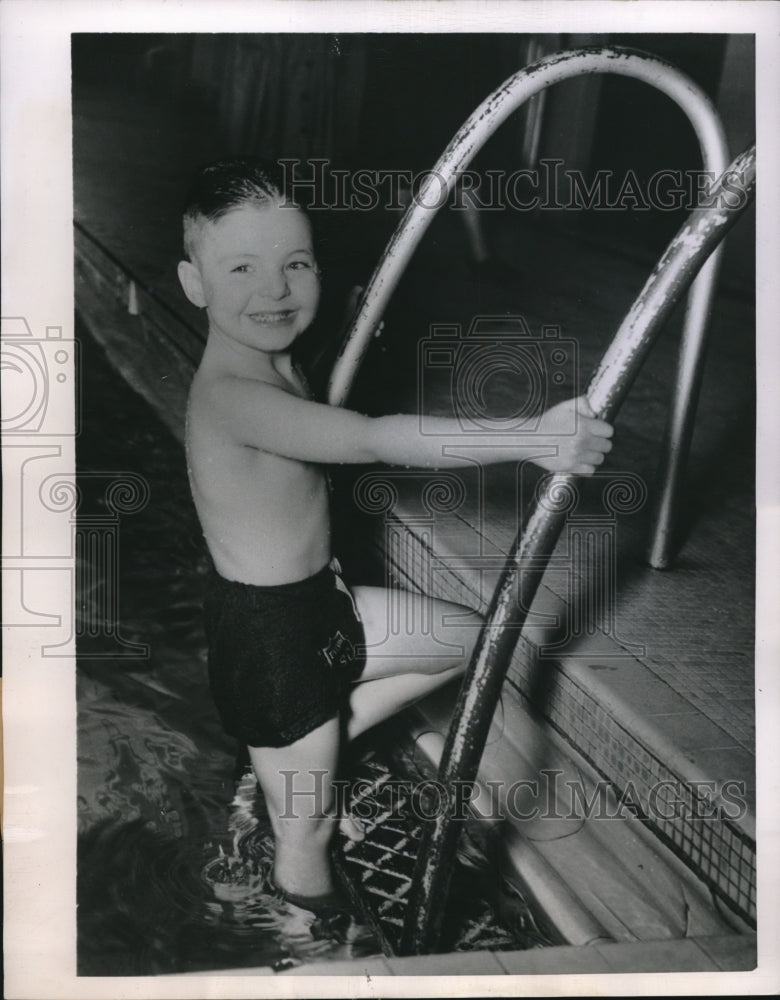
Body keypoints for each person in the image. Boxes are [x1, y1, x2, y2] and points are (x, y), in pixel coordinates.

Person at [178, 158, 613, 914]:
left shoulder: (272, 361)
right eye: (241, 267)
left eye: (296, 263)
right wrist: (532, 439)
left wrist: (352, 326)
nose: (274, 288)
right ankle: (305, 939)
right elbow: (374, 439)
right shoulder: (231, 396)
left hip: (322, 605)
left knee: (472, 639)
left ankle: (290, 757)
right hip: (274, 640)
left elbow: (319, 394)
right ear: (193, 285)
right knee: (307, 836)